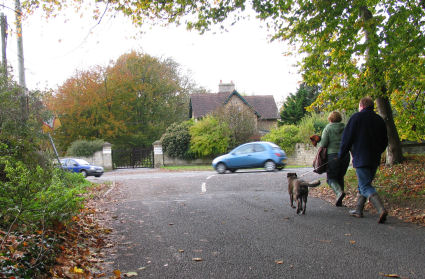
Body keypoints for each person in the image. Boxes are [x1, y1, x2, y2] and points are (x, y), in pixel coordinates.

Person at [339, 97, 388, 223]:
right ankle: (358, 210)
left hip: (361, 157)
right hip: (374, 158)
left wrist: (341, 155)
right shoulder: (379, 120)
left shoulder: (356, 118)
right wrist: (378, 151)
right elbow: (385, 141)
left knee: (365, 185)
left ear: (361, 105)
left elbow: (346, 139)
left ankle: (381, 209)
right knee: (364, 184)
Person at [318, 111, 350, 206]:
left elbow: (323, 144)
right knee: (340, 177)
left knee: (331, 178)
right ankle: (339, 200)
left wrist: (318, 142)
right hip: (345, 155)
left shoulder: (328, 128)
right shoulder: (345, 128)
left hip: (333, 156)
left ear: (330, 119)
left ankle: (339, 192)